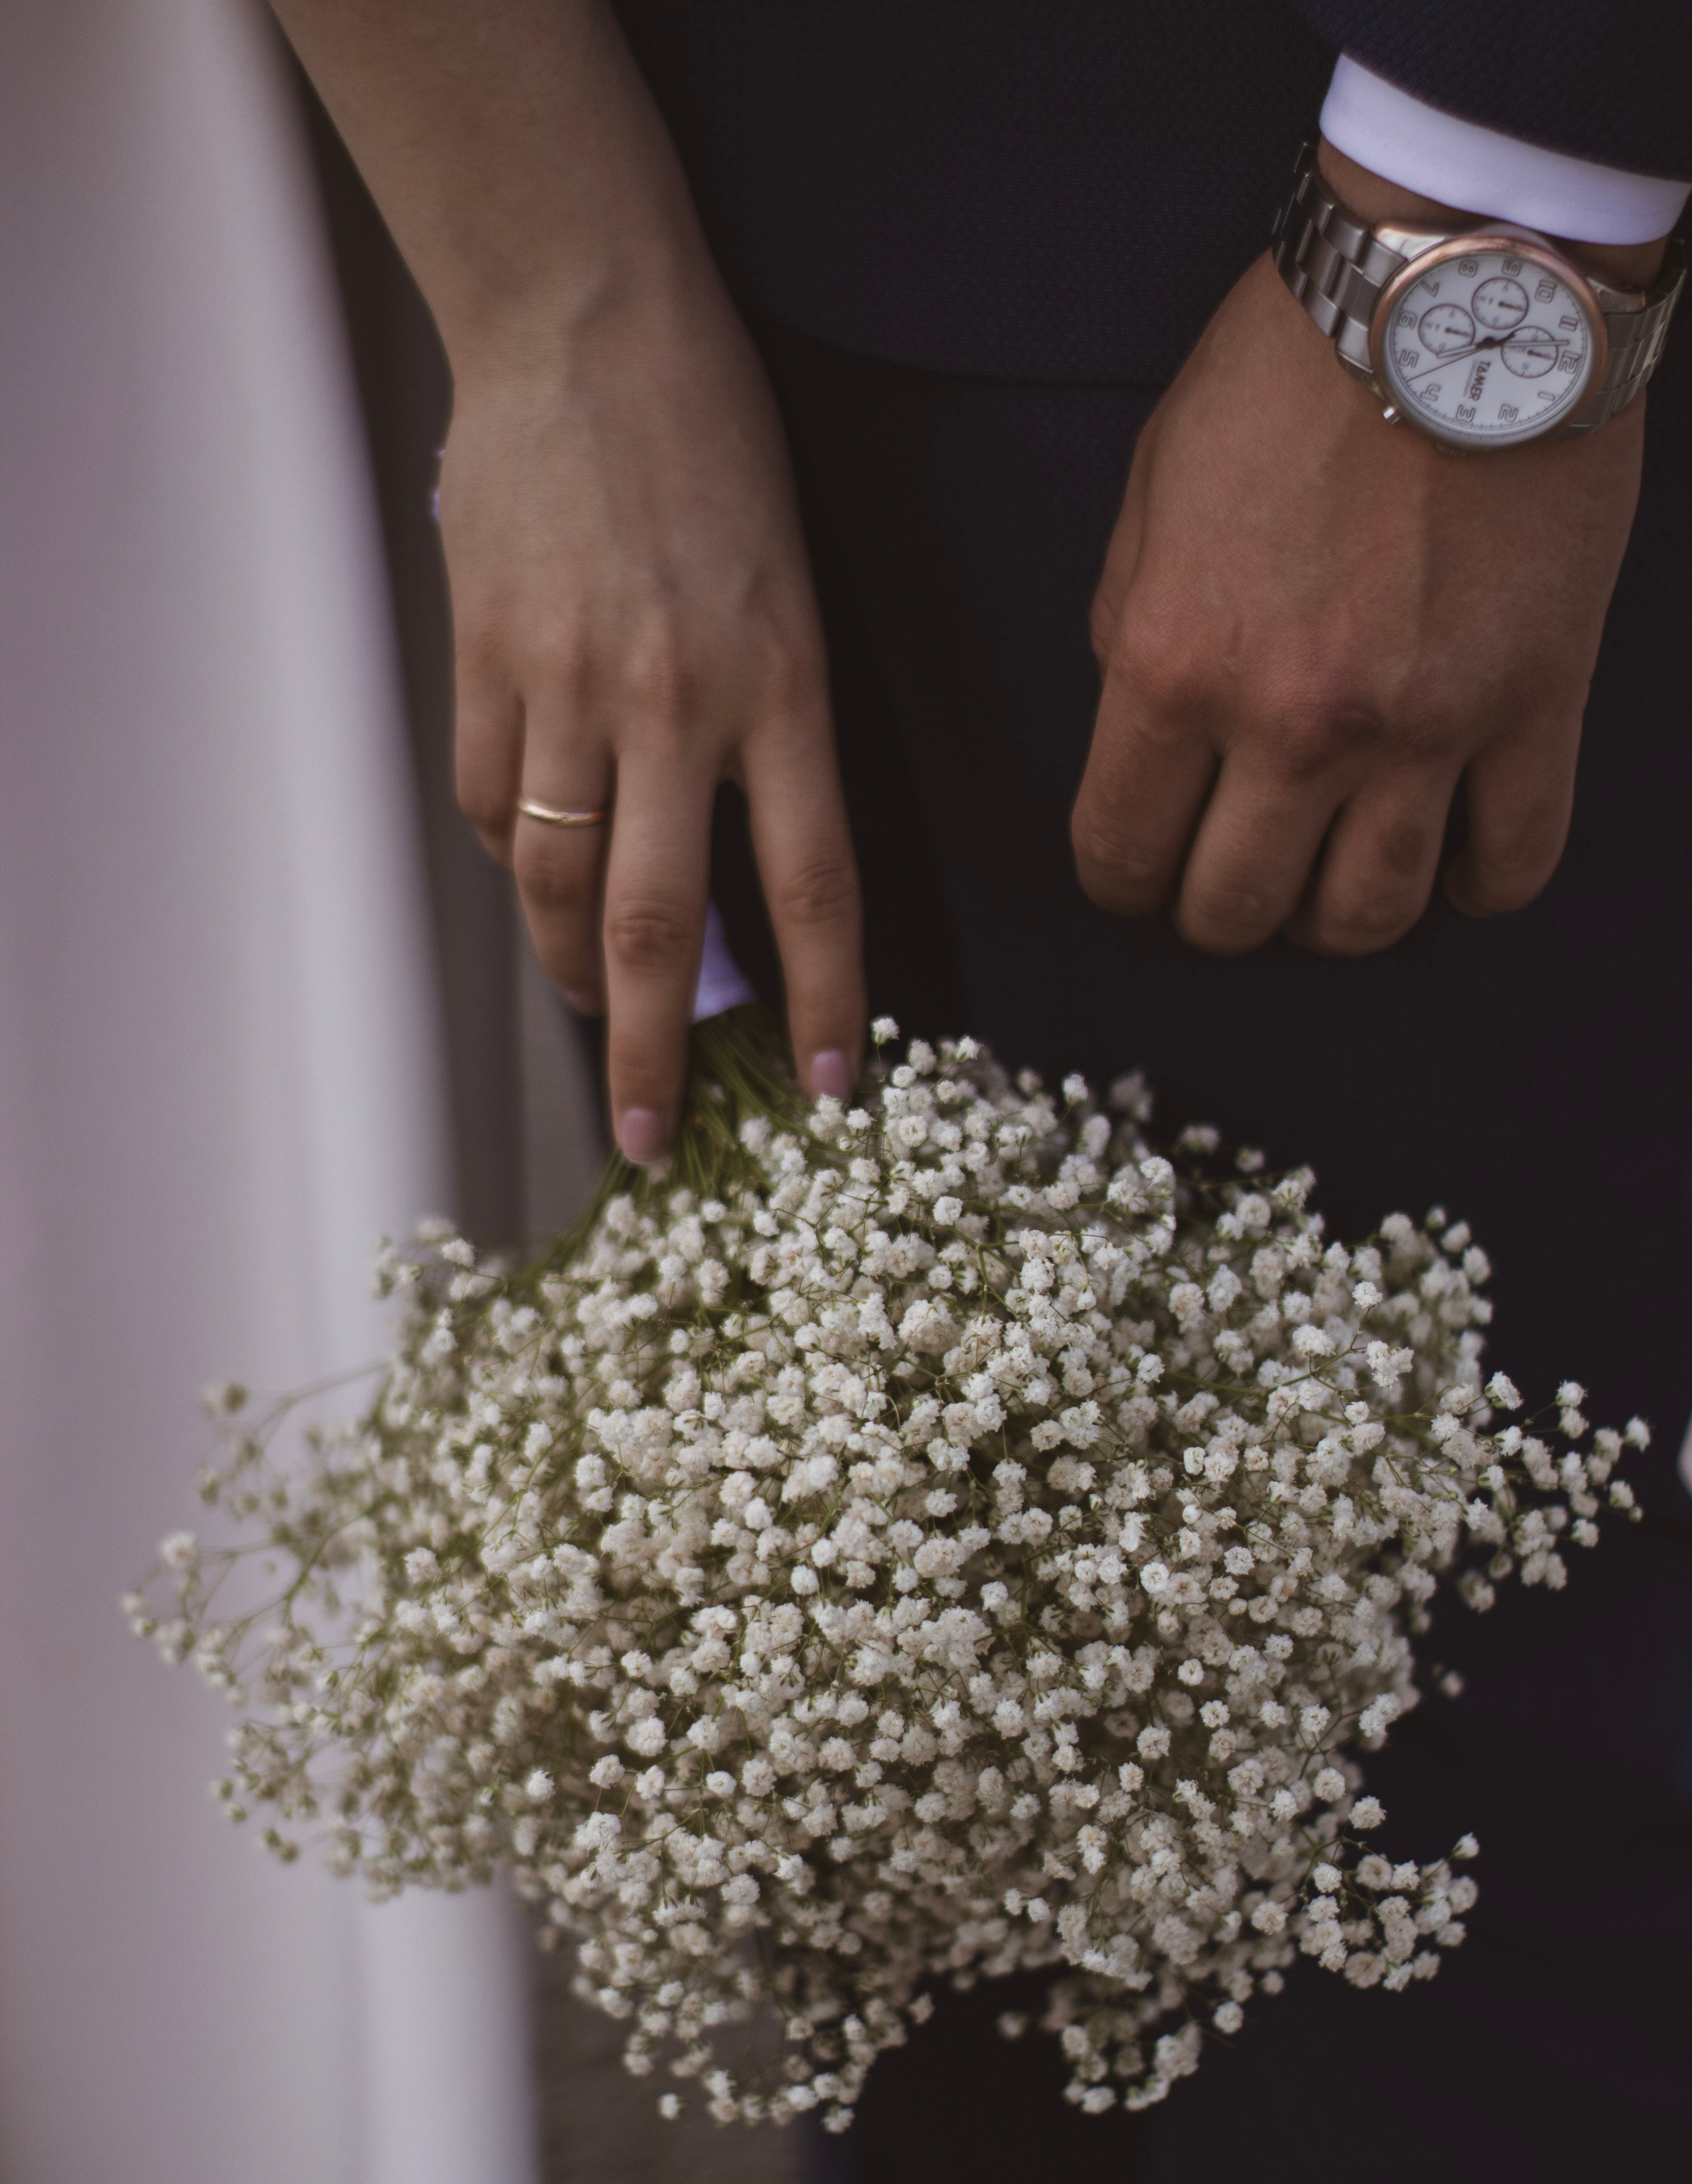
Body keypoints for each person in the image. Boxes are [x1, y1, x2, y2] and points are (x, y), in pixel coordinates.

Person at [272, 5, 1692, 2176]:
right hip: (736, 276)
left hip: (1303, 291)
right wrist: (559, 296)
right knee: (936, 1865)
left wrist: (1487, 210)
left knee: (1482, 1852)